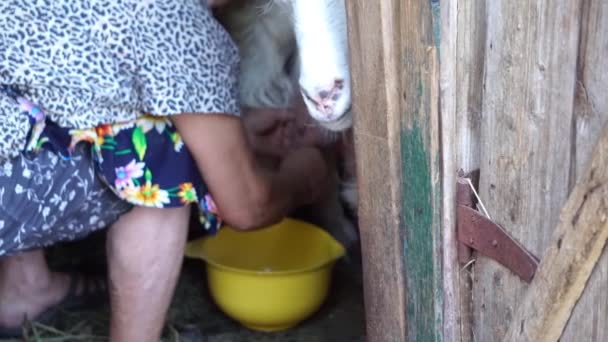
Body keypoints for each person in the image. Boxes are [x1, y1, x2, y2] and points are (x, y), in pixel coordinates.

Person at [0, 0, 330, 340]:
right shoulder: (179, 21)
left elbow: (62, 88)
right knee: (166, 155)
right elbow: (247, 208)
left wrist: (237, 133)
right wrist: (303, 179)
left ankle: (25, 288)